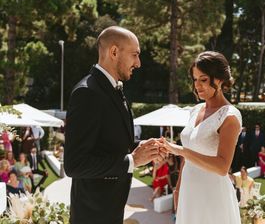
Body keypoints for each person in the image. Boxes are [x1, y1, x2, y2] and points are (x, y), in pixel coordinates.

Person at [64, 26, 165, 224]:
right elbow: (74, 165)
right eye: (135, 54)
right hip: (92, 216)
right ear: (114, 52)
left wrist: (143, 148)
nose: (138, 63)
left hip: (110, 211)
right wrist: (132, 161)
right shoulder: (87, 93)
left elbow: (109, 142)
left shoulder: (111, 88)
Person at [161, 51, 242, 223]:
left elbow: (222, 166)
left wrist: (180, 150)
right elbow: (188, 156)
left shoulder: (229, 117)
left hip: (213, 195)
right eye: (195, 79)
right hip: (189, 192)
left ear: (219, 80)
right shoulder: (195, 110)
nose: (197, 85)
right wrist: (178, 188)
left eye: (203, 79)